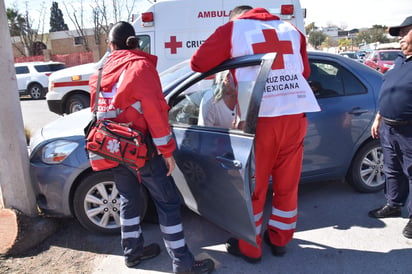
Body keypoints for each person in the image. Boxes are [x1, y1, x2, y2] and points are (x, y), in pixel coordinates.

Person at [190, 6, 320, 263]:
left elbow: (198, 63)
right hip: (294, 115)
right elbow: (304, 72)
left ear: (236, 18)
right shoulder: (291, 29)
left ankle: (251, 247)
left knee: (253, 187)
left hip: (260, 119)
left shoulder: (234, 29)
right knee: (287, 184)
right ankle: (280, 239)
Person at [88, 21, 215, 273]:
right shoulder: (140, 67)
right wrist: (167, 152)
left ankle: (132, 253)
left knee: (128, 198)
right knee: (167, 202)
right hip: (141, 151)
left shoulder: (98, 72)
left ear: (112, 46)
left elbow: (99, 112)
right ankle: (182, 262)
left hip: (113, 148)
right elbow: (155, 114)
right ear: (133, 42)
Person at [368, 16, 412, 239]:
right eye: (400, 34)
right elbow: (388, 91)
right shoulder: (399, 61)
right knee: (392, 169)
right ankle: (394, 204)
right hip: (388, 126)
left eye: (405, 33)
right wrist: (378, 118)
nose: (401, 38)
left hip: (408, 130)